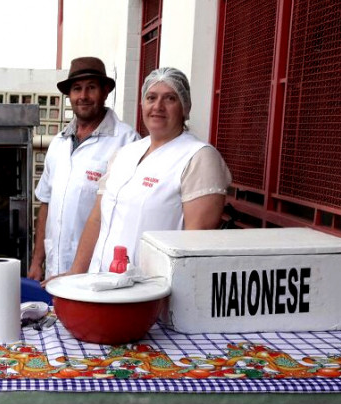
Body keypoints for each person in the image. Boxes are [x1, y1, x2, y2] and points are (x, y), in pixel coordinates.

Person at [69, 67, 231, 273]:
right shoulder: (125, 153)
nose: (158, 106)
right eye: (151, 97)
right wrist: (74, 275)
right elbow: (97, 219)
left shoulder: (198, 157)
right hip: (101, 286)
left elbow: (195, 247)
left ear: (185, 107)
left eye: (170, 98)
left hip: (151, 294)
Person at [28, 57, 139, 281]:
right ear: (69, 95)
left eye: (91, 88)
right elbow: (46, 205)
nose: (83, 96)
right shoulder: (59, 144)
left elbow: (130, 215)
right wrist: (36, 261)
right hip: (54, 270)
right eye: (77, 89)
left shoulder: (127, 142)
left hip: (96, 274)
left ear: (105, 91)